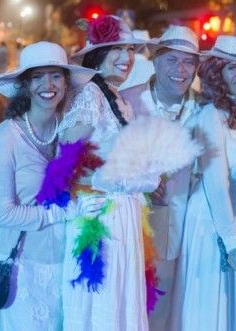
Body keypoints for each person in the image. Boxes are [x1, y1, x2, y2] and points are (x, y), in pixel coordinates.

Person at [0, 41, 100, 330]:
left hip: (65, 263)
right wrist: (60, 213)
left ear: (65, 82)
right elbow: (3, 214)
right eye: (37, 77)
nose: (47, 85)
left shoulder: (70, 127)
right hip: (22, 267)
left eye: (55, 75)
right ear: (25, 85)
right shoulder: (6, 137)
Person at [58, 15, 157, 331]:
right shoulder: (91, 95)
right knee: (101, 303)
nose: (127, 57)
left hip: (123, 214)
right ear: (98, 54)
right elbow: (66, 156)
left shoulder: (116, 98)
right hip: (100, 216)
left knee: (119, 301)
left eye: (130, 49)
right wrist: (98, 181)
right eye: (117, 48)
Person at [175, 35, 236, 331]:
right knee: (208, 308)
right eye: (231, 68)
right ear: (218, 73)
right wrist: (231, 241)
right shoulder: (210, 115)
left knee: (231, 306)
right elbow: (215, 182)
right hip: (210, 221)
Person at [120, 24, 201, 331]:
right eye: (172, 60)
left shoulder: (203, 108)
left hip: (185, 227)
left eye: (188, 62)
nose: (180, 70)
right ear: (154, 61)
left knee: (170, 308)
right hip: (128, 223)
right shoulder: (127, 101)